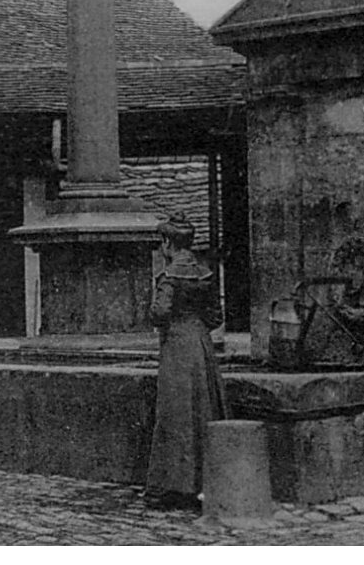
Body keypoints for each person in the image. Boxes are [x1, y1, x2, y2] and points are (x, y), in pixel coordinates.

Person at [144, 212, 226, 510]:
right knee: (205, 408)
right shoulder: (205, 273)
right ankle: (206, 482)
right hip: (201, 344)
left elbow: (159, 313)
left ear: (168, 243)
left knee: (175, 413)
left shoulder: (168, 277)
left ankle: (174, 485)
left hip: (177, 347)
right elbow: (216, 317)